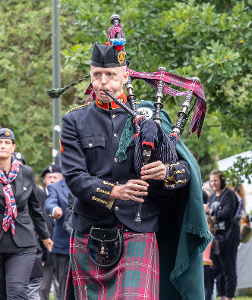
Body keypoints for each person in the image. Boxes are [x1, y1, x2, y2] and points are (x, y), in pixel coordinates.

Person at [59, 15, 210, 300]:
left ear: (125, 75)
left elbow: (186, 170)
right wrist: (115, 191)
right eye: (96, 75)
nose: (103, 81)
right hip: (89, 228)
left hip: (140, 226)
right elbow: (75, 177)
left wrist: (166, 173)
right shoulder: (74, 121)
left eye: (110, 74)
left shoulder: (151, 117)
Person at [0, 128, 53, 299]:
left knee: (16, 292)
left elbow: (35, 208)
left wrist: (45, 236)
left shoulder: (26, 172)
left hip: (22, 243)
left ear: (13, 147)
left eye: (7, 143)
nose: (3, 146)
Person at [206, 170, 240, 300]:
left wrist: (211, 210)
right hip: (216, 239)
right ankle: (222, 296)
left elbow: (228, 213)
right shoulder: (212, 197)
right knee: (217, 270)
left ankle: (229, 297)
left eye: (216, 180)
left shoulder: (229, 195)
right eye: (212, 180)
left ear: (222, 181)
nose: (213, 183)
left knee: (228, 269)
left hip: (229, 237)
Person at [44, 179, 70, 300]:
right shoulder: (55, 187)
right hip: (64, 245)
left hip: (89, 243)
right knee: (64, 286)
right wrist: (54, 209)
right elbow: (50, 202)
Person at [39, 164, 61, 300]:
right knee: (42, 287)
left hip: (62, 250)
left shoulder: (68, 194)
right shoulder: (38, 195)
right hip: (45, 251)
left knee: (63, 286)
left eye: (55, 177)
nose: (52, 180)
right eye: (49, 177)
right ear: (44, 180)